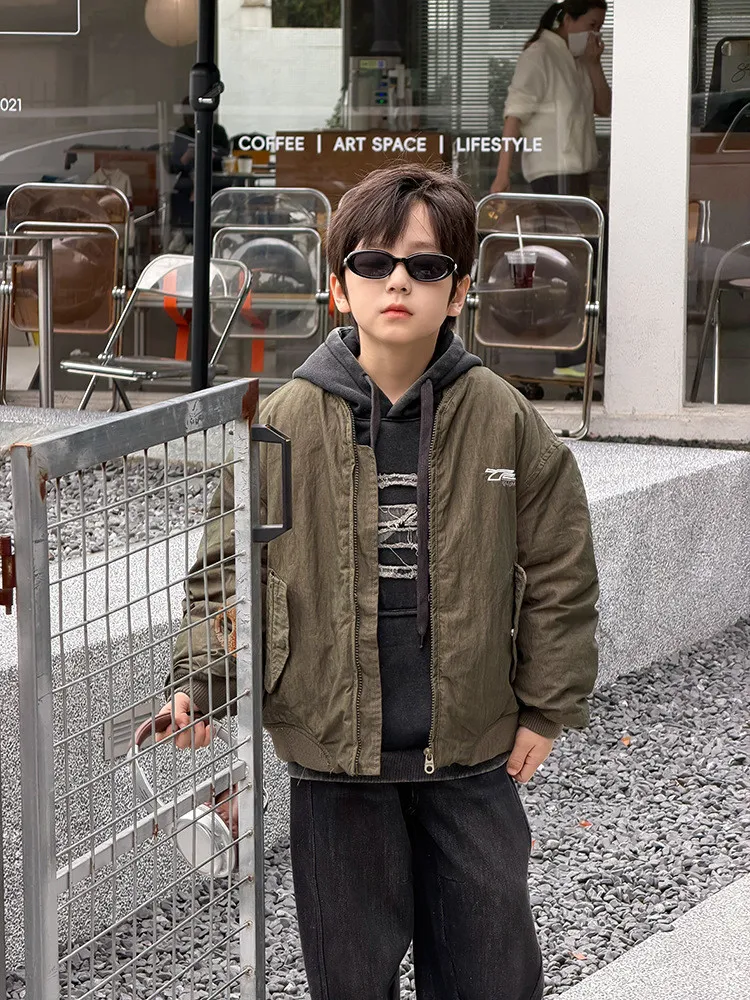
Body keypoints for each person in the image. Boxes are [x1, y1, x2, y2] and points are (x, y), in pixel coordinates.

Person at [157, 163, 600, 1000]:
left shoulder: (503, 417)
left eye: (426, 266)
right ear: (339, 286)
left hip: (470, 754)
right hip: (334, 763)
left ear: (458, 292)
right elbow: (226, 574)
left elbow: (560, 568)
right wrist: (200, 686)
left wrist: (547, 706)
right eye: (374, 263)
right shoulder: (282, 424)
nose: (399, 282)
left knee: (490, 971)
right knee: (351, 978)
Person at [491, 0, 611, 378]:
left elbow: (606, 107)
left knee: (586, 264)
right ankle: (570, 360)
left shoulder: (577, 60)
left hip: (579, 177)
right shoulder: (540, 54)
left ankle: (582, 354)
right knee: (568, 265)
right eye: (590, 24)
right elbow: (514, 116)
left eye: (599, 27)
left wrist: (593, 63)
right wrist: (502, 174)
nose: (594, 33)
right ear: (567, 19)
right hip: (552, 176)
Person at [168, 96, 230, 245]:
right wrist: (187, 156)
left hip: (213, 179)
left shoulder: (217, 131)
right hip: (188, 181)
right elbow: (175, 166)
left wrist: (212, 156)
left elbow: (226, 155)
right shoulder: (182, 132)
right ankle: (187, 236)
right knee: (179, 197)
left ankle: (212, 237)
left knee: (216, 197)